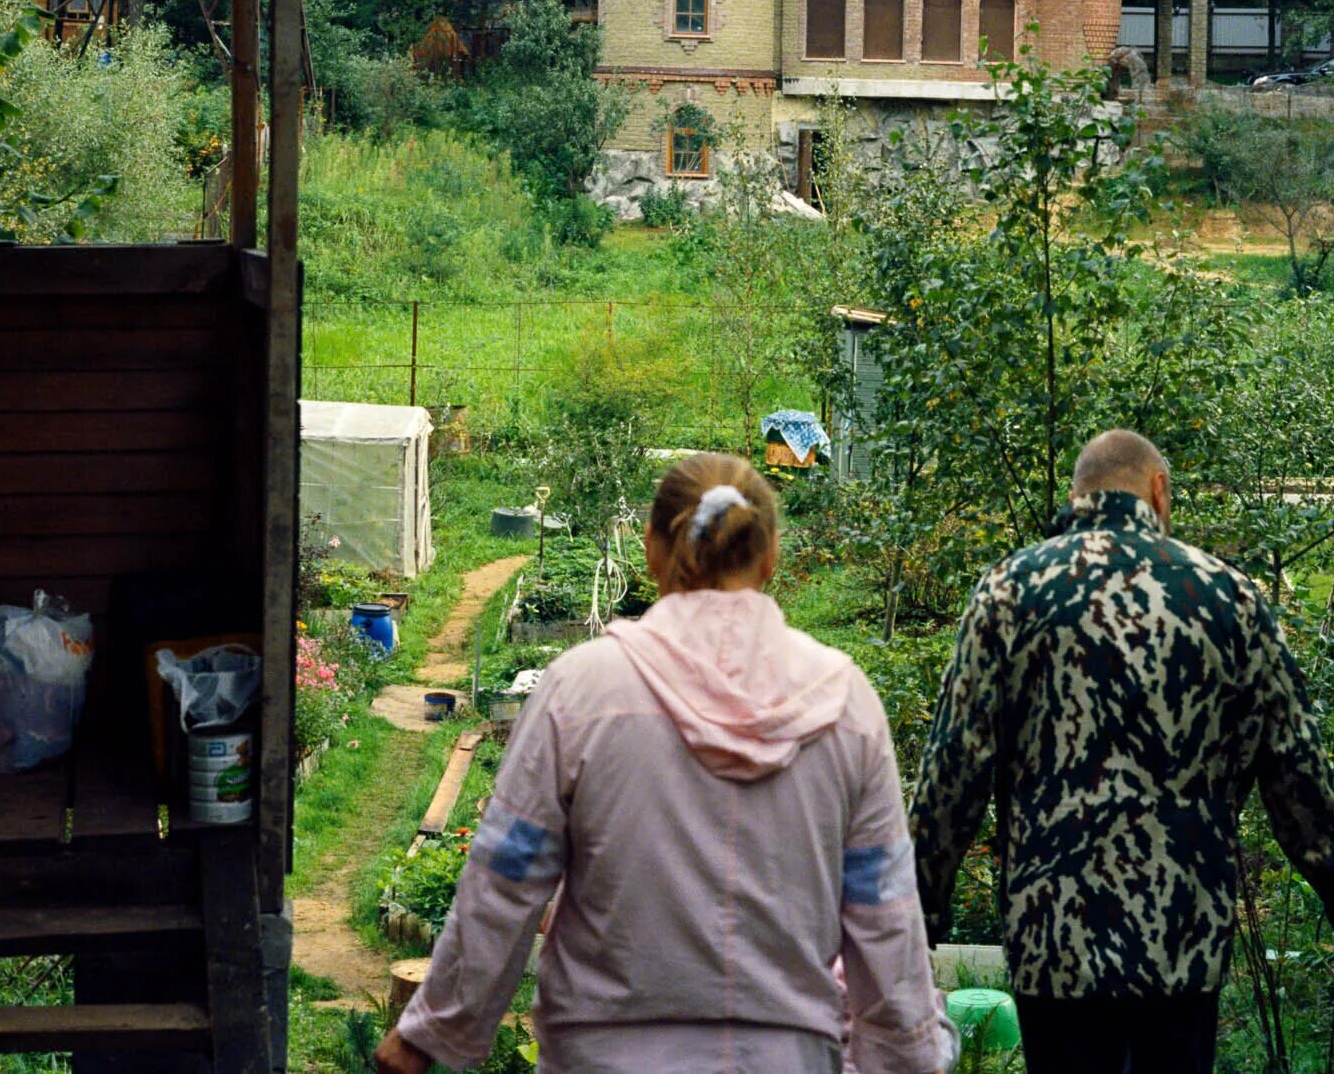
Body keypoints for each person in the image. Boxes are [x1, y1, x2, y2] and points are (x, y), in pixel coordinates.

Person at [376, 453, 952, 1074]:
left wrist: (430, 1032)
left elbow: (507, 878)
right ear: (770, 556)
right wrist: (912, 1054)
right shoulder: (845, 704)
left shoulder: (584, 691)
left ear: (651, 550)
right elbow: (883, 907)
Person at [907, 430, 1334, 1074]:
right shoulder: (1226, 595)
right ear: (1158, 490)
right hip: (1181, 941)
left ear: (1078, 496)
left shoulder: (1009, 592)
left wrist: (914, 921)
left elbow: (951, 775)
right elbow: (1295, 764)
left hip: (1055, 943)